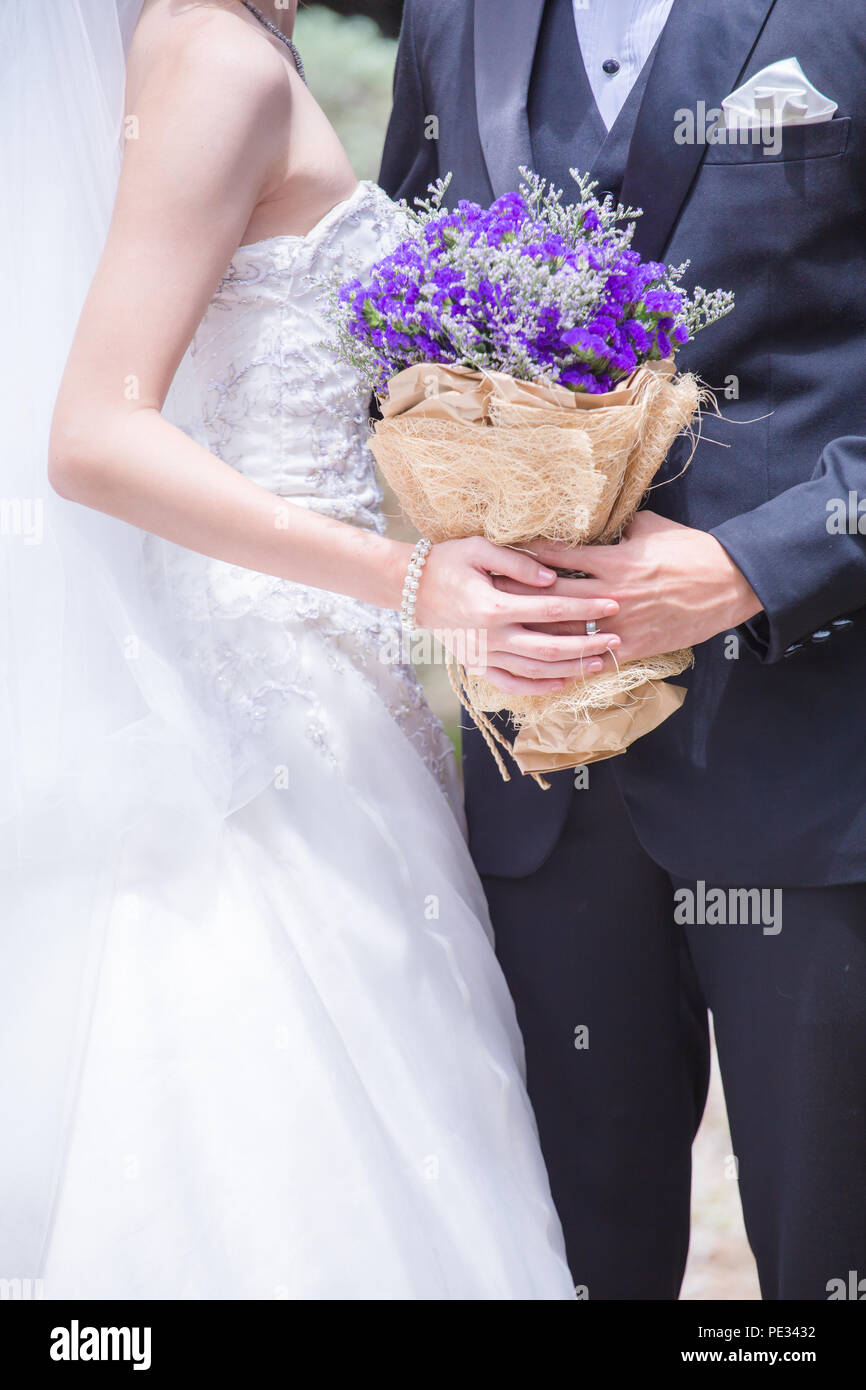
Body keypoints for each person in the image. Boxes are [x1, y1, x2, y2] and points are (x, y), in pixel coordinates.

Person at [0, 0, 611, 1299]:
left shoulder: (229, 42)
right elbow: (93, 435)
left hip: (344, 691)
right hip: (271, 718)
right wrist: (404, 575)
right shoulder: (213, 53)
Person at [381, 0, 866, 1299]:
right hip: (541, 778)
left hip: (815, 759)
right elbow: (400, 335)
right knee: (569, 1260)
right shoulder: (454, 23)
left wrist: (751, 563)